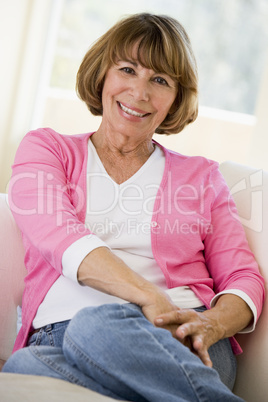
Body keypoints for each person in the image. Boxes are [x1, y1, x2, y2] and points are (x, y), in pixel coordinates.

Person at [2, 12, 265, 402]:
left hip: (181, 343)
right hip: (60, 335)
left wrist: (209, 325)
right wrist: (147, 294)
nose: (140, 92)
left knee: (86, 332)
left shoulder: (202, 176)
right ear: (103, 74)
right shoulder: (48, 150)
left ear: (176, 97)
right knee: (24, 365)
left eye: (159, 80)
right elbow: (57, 235)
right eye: (128, 69)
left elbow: (244, 279)